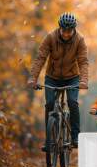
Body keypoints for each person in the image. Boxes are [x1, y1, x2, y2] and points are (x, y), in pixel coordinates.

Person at [28, 12, 89, 148]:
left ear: (74, 29)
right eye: (64, 31)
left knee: (72, 102)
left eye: (69, 31)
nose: (66, 34)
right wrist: (33, 78)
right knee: (49, 104)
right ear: (59, 28)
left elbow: (83, 61)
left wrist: (83, 81)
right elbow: (40, 58)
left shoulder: (79, 40)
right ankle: (49, 139)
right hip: (52, 77)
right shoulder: (50, 37)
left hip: (72, 77)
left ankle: (75, 136)